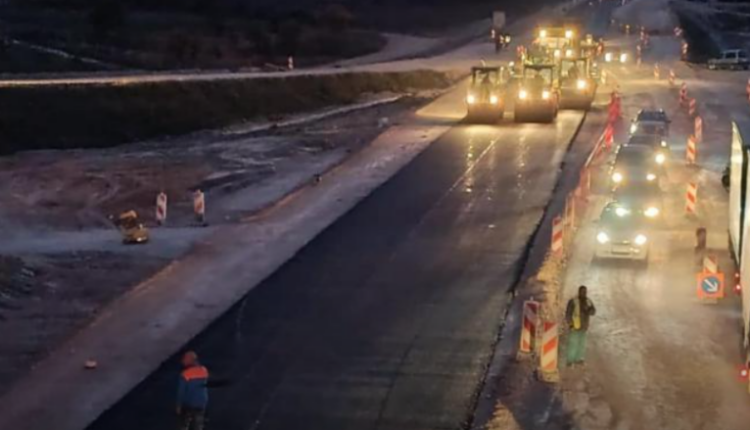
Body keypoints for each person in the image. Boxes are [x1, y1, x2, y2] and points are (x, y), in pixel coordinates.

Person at [177, 351, 209, 430]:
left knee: (184, 423)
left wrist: (178, 405)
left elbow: (181, 392)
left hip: (189, 403)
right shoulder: (204, 370)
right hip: (202, 402)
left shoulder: (185, 374)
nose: (183, 361)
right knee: (198, 424)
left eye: (185, 359)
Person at [565, 285, 596, 366]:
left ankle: (579, 359)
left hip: (584, 327)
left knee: (582, 344)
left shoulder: (588, 301)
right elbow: (568, 314)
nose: (584, 293)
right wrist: (570, 324)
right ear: (579, 292)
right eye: (582, 291)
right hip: (575, 326)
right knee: (573, 344)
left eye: (585, 292)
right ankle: (570, 360)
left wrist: (590, 310)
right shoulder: (573, 301)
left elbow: (593, 312)